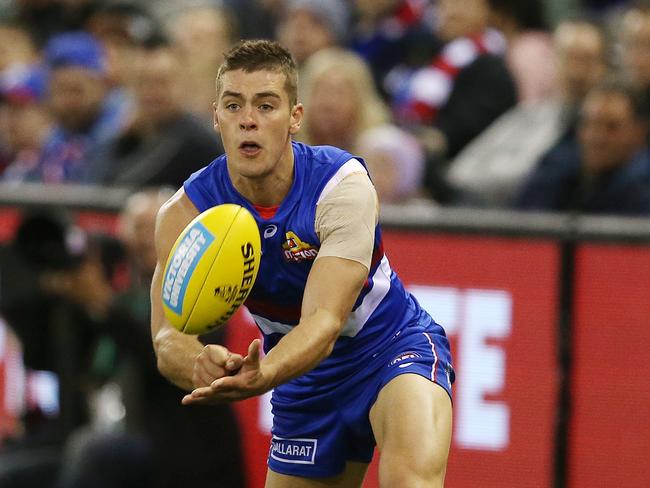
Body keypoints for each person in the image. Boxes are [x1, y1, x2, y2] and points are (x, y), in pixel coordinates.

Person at [151, 40, 454, 487]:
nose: (248, 119)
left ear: (295, 118)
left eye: (266, 105)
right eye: (234, 106)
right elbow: (166, 336)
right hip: (305, 382)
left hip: (390, 347)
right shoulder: (185, 213)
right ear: (216, 117)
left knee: (410, 480)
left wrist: (263, 376)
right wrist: (198, 363)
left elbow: (325, 322)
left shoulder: (341, 186)